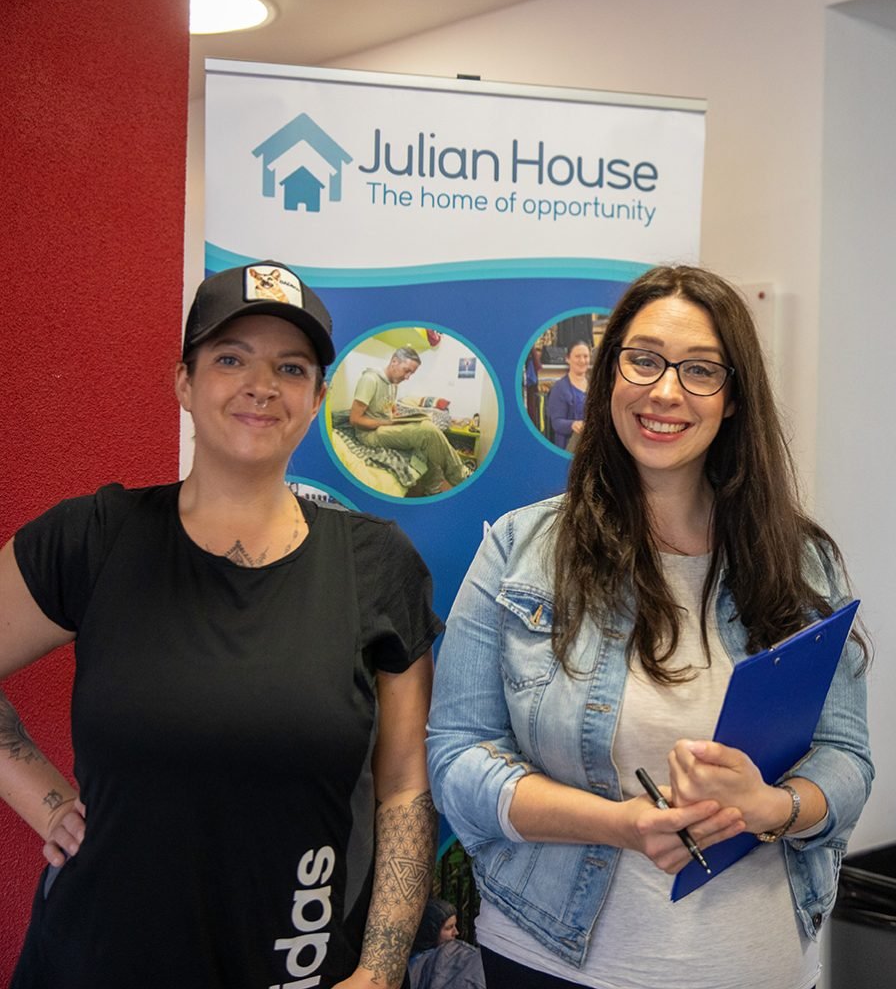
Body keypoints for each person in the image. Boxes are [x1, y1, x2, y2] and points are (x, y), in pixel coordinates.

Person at [427, 265, 872, 989]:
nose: (666, 392)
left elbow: (846, 758)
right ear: (610, 376)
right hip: (554, 961)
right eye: (644, 360)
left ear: (733, 398)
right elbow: (457, 760)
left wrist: (774, 807)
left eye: (700, 370)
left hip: (760, 965)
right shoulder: (519, 550)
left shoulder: (801, 561)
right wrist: (619, 824)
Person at [0, 260, 440, 988]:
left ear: (317, 397)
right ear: (184, 382)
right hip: (96, 961)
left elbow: (402, 786)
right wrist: (45, 803)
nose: (261, 385)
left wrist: (382, 969)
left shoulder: (375, 564)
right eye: (231, 359)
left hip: (293, 961)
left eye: (291, 368)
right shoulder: (93, 538)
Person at [349, 346, 466, 496]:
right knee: (427, 431)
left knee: (428, 438)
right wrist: (387, 423)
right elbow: (354, 419)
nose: (407, 377)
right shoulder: (370, 379)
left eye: (411, 373)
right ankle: (461, 478)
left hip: (385, 427)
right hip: (369, 434)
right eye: (407, 371)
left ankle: (432, 490)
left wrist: (400, 418)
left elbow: (390, 409)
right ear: (394, 361)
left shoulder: (393, 384)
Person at [408, 898, 485, 989]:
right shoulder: (415, 965)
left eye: (454, 926)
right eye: (449, 928)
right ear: (430, 931)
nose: (456, 932)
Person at [546, 339, 591, 450]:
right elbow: (556, 423)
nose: (582, 360)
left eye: (586, 356)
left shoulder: (594, 386)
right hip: (568, 450)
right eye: (577, 356)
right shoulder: (559, 388)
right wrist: (573, 424)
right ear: (568, 359)